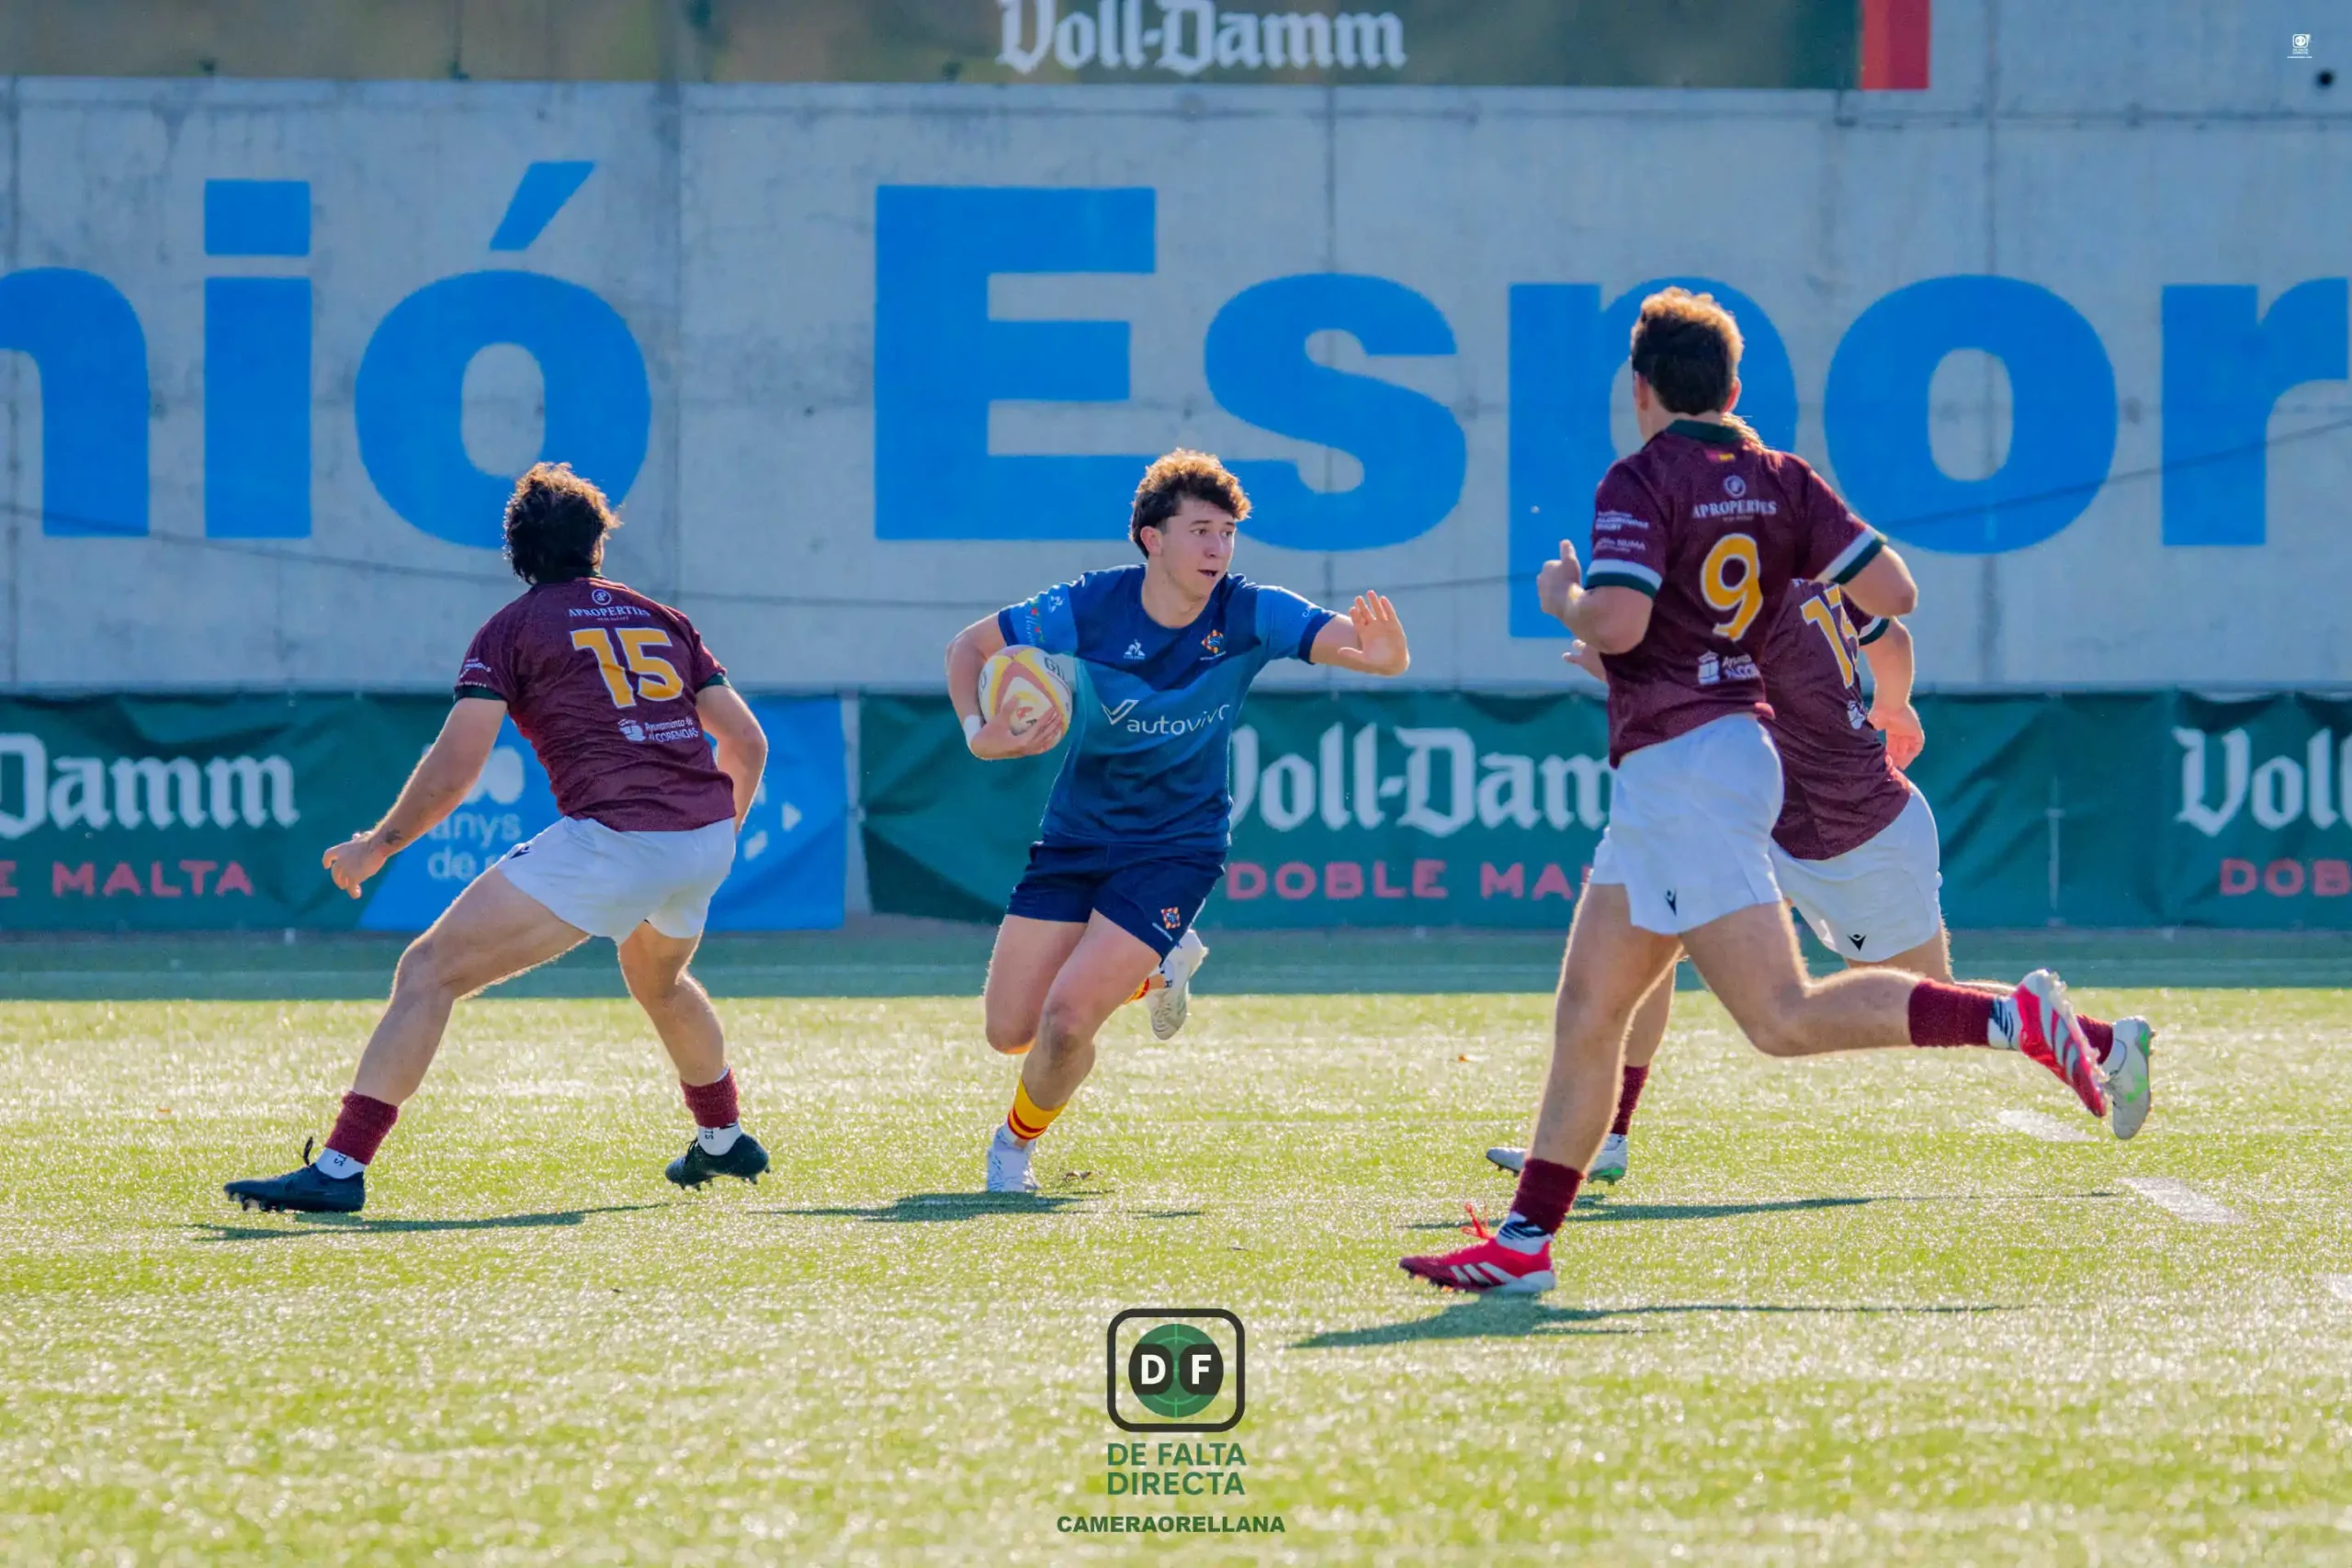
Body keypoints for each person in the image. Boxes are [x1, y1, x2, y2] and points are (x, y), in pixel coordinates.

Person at [1402, 288, 2124, 1295]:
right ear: (1734, 388)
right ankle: (1525, 1243)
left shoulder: (1641, 477)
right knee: (1590, 1008)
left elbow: (1616, 623)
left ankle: (2017, 1021)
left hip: (1684, 766)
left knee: (1781, 1016)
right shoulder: (1783, 477)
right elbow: (1895, 594)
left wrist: (1563, 596)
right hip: (1716, 756)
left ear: (1640, 388)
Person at [226, 464, 772, 1214]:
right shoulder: (661, 618)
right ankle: (723, 1136)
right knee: (660, 983)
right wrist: (707, 838)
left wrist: (379, 843)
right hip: (702, 839)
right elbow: (747, 743)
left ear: (517, 551)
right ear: (596, 544)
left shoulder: (513, 629)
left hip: (618, 841)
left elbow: (457, 766)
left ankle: (340, 1167)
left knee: (428, 972)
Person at [1485, 593, 2155, 1185]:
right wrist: (1894, 706)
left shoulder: (1747, 591)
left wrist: (1607, 657)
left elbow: (1700, 701)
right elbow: (1893, 640)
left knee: (1923, 997)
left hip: (1853, 838)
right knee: (1652, 925)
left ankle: (2108, 1045)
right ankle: (1607, 1134)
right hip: (1775, 822)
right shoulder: (1797, 568)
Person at [945, 449, 1411, 1194]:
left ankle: (1012, 1148)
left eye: (1227, 533)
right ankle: (1159, 967)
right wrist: (979, 733)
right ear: (1151, 537)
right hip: (1075, 835)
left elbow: (1353, 644)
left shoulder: (1250, 611)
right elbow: (968, 647)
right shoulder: (1089, 606)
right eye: (1200, 530)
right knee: (1010, 1030)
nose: (1218, 548)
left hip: (1176, 845)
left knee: (1068, 1021)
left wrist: (1382, 656)